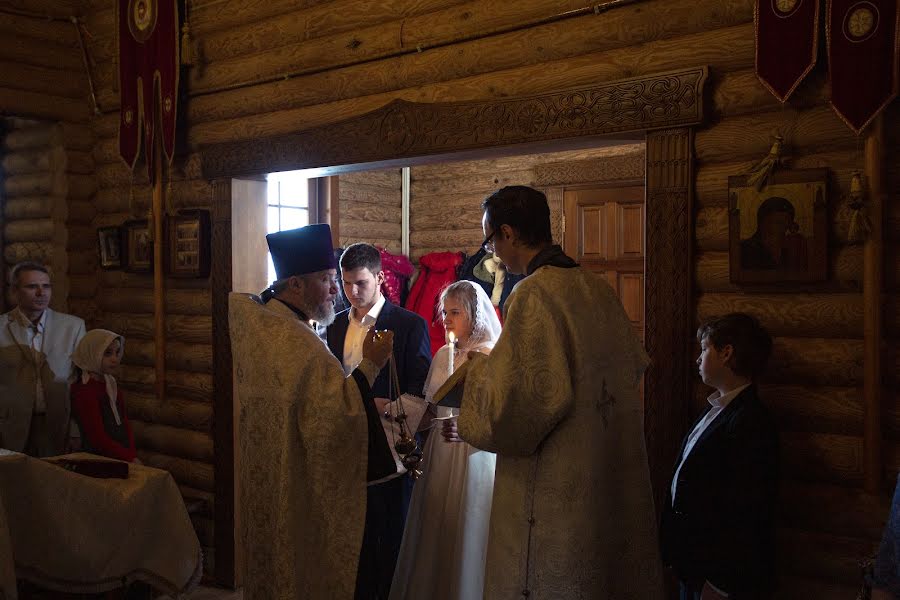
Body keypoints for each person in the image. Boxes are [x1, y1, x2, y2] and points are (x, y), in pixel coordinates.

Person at [452, 186, 663, 599]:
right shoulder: (594, 286)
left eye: (490, 239)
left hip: (556, 483)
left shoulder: (533, 294)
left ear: (508, 234)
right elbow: (631, 366)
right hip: (603, 465)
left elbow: (522, 406)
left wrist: (477, 377)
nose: (492, 251)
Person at [229, 224, 397, 600]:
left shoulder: (267, 326)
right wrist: (371, 364)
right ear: (296, 285)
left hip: (274, 475)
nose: (337, 290)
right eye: (326, 279)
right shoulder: (294, 340)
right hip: (297, 480)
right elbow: (337, 415)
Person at [325, 242, 431, 600]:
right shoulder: (336, 326)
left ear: (380, 278)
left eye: (361, 283)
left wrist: (388, 408)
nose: (352, 292)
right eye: (346, 283)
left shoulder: (409, 324)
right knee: (358, 538)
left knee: (392, 539)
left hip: (392, 451)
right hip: (348, 445)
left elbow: (422, 389)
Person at [390, 280, 502, 600]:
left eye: (456, 312)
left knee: (469, 524)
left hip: (473, 451)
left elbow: (498, 413)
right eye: (445, 312)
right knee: (438, 523)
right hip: (441, 449)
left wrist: (469, 424)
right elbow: (432, 405)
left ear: (475, 314)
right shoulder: (443, 355)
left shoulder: (491, 357)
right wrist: (403, 417)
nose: (448, 320)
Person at [660, 313, 779, 600]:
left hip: (718, 578)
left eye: (704, 349)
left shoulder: (751, 422)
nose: (698, 359)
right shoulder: (716, 409)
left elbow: (746, 510)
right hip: (692, 567)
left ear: (726, 353)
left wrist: (720, 582)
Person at [0, 261, 85, 456]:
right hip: (8, 428)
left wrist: (75, 429)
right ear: (15, 290)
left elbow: (81, 384)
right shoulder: (1, 328)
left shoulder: (73, 327)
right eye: (32, 286)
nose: (41, 293)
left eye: (46, 286)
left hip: (57, 425)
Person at [70, 329, 138, 463]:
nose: (115, 359)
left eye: (117, 352)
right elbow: (97, 438)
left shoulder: (110, 384)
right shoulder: (85, 390)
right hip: (98, 459)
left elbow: (124, 423)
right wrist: (128, 457)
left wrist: (131, 453)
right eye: (107, 353)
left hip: (120, 455)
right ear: (92, 353)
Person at [740, 196, 806, 270]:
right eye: (778, 222)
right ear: (762, 223)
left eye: (787, 223)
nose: (784, 228)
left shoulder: (790, 248)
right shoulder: (747, 249)